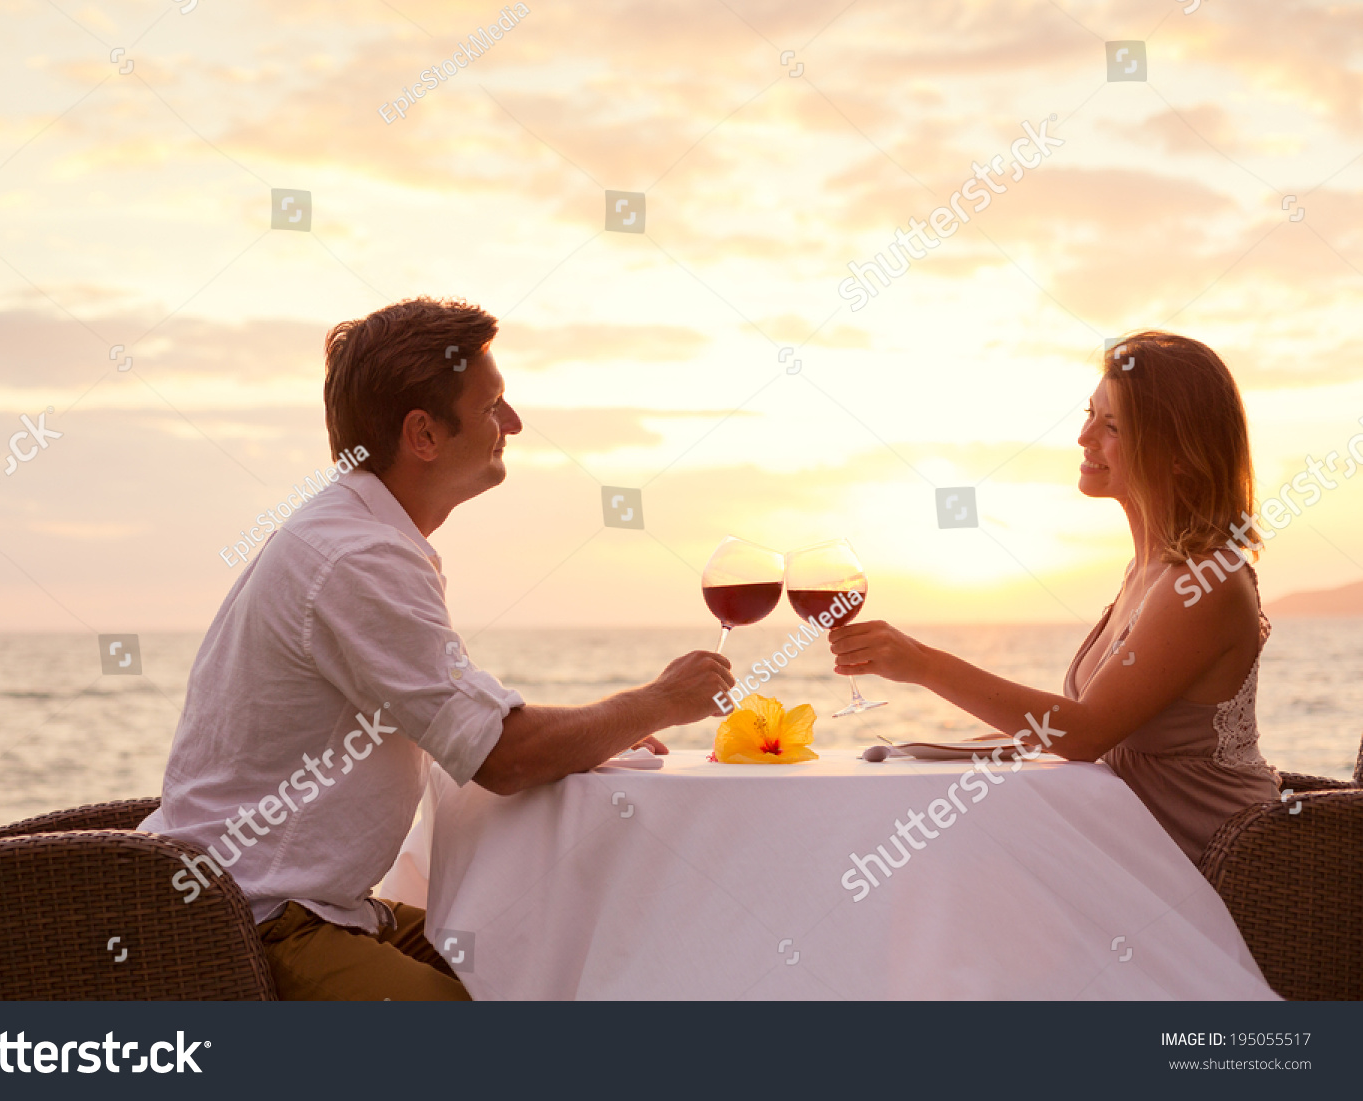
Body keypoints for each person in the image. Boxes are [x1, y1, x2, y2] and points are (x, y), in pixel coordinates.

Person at [139, 296, 735, 1000]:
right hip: (253, 918)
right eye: (493, 406)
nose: (513, 423)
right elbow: (503, 756)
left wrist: (592, 734)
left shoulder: (356, 534)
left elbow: (472, 721)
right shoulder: (357, 557)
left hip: (313, 903)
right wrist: (659, 701)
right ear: (422, 434)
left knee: (528, 951)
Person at [828, 331, 1280, 863]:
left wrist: (921, 663)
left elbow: (1086, 733)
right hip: (1130, 846)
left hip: (1210, 864)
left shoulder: (1205, 583)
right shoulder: (1147, 571)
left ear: (1180, 456)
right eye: (1091, 413)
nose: (1085, 436)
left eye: (1111, 426)